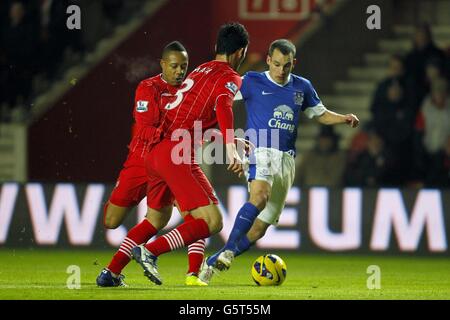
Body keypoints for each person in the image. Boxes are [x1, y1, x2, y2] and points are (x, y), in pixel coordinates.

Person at [199, 39, 359, 283]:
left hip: (286, 160)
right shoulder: (252, 80)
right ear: (268, 61)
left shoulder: (302, 87)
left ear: (294, 63)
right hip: (260, 147)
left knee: (259, 229)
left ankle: (213, 261)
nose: (281, 70)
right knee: (259, 196)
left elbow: (321, 114)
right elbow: (223, 100)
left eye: (286, 65)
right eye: (276, 64)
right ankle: (229, 250)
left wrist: (344, 118)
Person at [130, 22, 249, 286]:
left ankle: (191, 274)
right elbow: (223, 107)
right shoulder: (230, 77)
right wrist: (231, 149)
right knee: (213, 221)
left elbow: (191, 113)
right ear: (240, 52)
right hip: (177, 154)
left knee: (200, 215)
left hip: (160, 152)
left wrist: (224, 139)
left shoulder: (198, 71)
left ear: (217, 47)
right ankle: (149, 251)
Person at [96, 41, 209, 287]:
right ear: (162, 65)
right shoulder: (148, 88)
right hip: (140, 160)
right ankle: (113, 271)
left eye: (184, 67)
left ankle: (192, 274)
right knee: (111, 221)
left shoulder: (191, 91)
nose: (180, 71)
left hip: (170, 161)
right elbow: (148, 126)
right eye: (175, 66)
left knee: (191, 216)